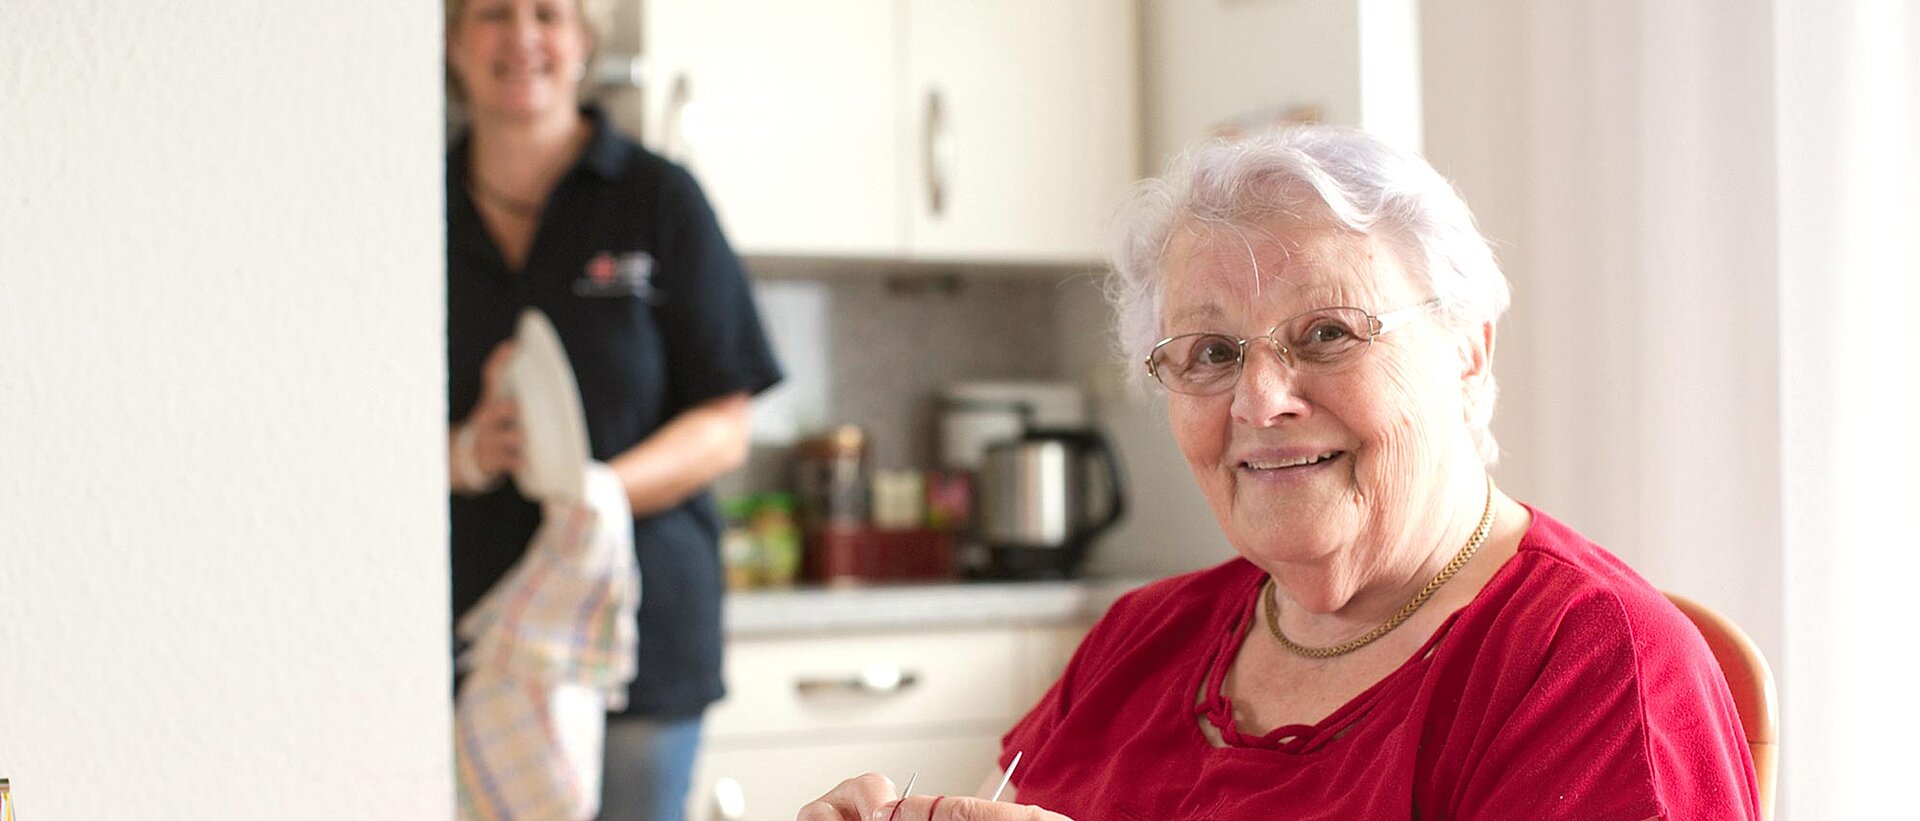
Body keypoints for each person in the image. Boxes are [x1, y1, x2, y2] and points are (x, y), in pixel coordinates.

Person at [800, 129, 1759, 820]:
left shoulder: (1595, 667)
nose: (1259, 401)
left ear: (1468, 351)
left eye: (1328, 333)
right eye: (1211, 352)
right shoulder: (1143, 637)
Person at [443, 1, 782, 820]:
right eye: (493, 12)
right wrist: (465, 452)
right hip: (470, 628)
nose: (522, 36)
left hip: (642, 635)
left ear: (584, 42)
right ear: (453, 41)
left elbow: (723, 424)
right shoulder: (411, 205)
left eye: (548, 13)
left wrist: (594, 491)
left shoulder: (657, 198)